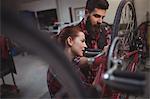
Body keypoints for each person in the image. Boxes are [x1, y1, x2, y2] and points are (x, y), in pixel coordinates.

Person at [47, 25, 88, 97]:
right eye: (82, 41)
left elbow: (81, 61)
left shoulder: (65, 60)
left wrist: (101, 56)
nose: (85, 46)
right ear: (70, 41)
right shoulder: (63, 72)